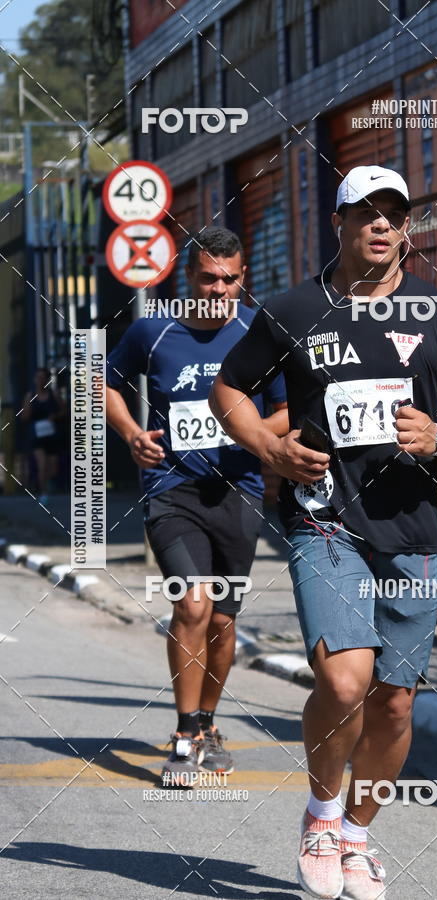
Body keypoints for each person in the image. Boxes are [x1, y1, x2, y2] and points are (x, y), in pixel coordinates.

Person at [209, 166, 437, 900]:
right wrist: (269, 451)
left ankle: (360, 839)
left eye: (392, 213)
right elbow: (228, 389)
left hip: (410, 529)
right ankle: (322, 815)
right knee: (346, 678)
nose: (380, 224)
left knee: (396, 701)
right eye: (364, 212)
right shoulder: (295, 308)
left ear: (405, 228)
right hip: (322, 519)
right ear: (336, 222)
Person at [106, 226, 287, 785]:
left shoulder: (258, 331)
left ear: (242, 279)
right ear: (188, 278)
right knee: (192, 603)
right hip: (171, 490)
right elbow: (104, 382)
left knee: (225, 620)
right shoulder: (152, 332)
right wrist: (133, 433)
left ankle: (208, 722)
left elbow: (288, 413)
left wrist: (246, 432)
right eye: (208, 278)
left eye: (229, 279)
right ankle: (184, 735)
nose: (218, 289)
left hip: (239, 492)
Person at [22, 367, 64, 505]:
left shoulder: (54, 394)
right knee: (42, 465)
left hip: (51, 435)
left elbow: (64, 411)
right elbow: (24, 417)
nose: (40, 380)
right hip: (37, 436)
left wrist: (55, 416)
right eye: (38, 377)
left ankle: (50, 483)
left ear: (47, 380)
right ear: (35, 379)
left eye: (43, 377)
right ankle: (44, 493)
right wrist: (28, 412)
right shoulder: (30, 396)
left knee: (53, 467)